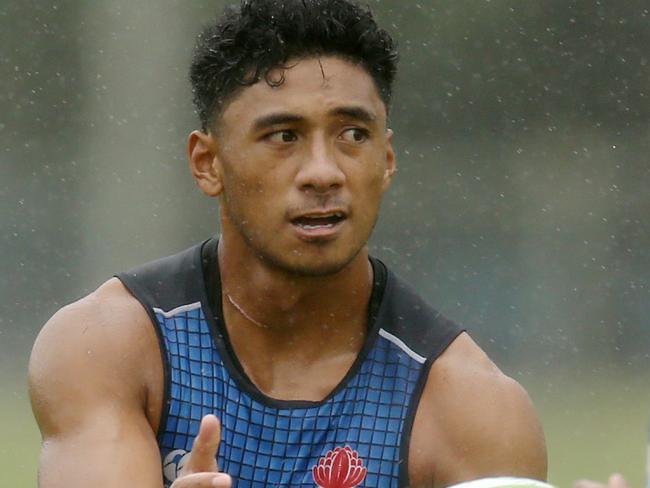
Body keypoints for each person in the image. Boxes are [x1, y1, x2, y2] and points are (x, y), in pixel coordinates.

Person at [28, 0, 547, 486]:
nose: (323, 172)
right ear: (207, 164)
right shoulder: (110, 346)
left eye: (353, 135)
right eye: (284, 136)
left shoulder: (472, 407)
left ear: (386, 161)